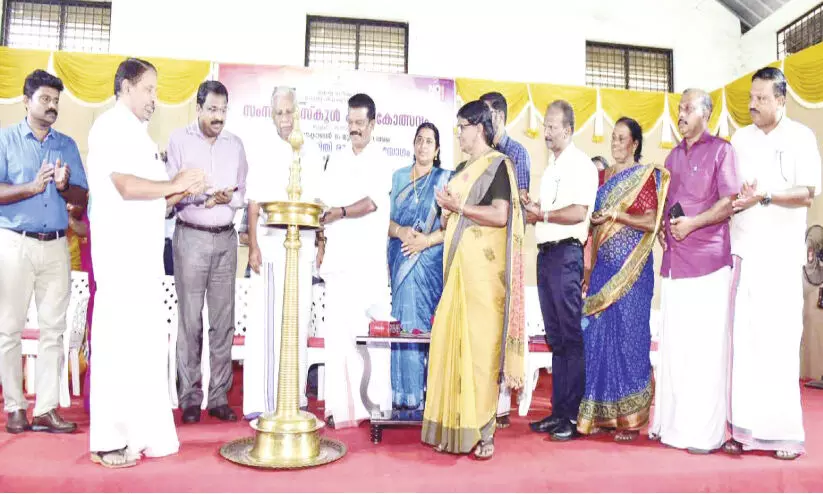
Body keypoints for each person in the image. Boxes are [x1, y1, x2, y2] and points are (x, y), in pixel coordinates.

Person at [87, 58, 206, 468]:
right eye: (148, 89)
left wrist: (184, 189)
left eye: (156, 90)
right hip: (121, 258)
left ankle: (142, 434)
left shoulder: (140, 135)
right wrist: (173, 183)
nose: (155, 98)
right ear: (125, 87)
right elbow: (125, 186)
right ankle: (110, 439)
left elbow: (157, 200)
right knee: (118, 345)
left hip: (144, 260)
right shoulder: (109, 127)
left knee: (145, 348)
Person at [725, 67, 821, 461]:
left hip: (780, 259)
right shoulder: (739, 139)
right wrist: (740, 197)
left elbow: (807, 193)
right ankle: (743, 431)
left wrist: (765, 196)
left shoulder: (801, 137)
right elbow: (731, 193)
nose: (752, 105)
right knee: (744, 344)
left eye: (762, 98)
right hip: (745, 253)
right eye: (751, 97)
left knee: (778, 345)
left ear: (781, 100)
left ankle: (783, 435)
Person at [422, 100, 525, 460]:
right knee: (450, 346)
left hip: (484, 280)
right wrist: (446, 209)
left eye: (461, 127)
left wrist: (459, 207)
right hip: (458, 274)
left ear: (479, 128)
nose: (458, 135)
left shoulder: (498, 166)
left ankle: (484, 432)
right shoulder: (462, 170)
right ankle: (452, 429)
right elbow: (450, 221)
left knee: (481, 355)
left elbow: (500, 215)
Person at [650, 88, 741, 454]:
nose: (681, 113)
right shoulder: (672, 156)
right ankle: (672, 427)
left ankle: (705, 434)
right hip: (674, 267)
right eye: (679, 107)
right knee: (676, 351)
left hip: (708, 266)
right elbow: (666, 205)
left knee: (705, 354)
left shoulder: (722, 151)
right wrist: (663, 229)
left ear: (706, 113)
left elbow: (729, 202)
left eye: (688, 108)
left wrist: (693, 224)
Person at [0, 69, 88, 435]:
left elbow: (82, 197)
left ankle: (47, 409)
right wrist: (30, 187)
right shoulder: (5, 139)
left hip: (55, 245)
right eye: (45, 99)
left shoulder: (66, 145)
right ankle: (15, 407)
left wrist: (65, 188)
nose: (52, 106)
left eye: (56, 100)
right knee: (9, 329)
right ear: (26, 101)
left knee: (54, 329)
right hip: (14, 243)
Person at [577, 117, 670, 441]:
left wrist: (618, 215)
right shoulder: (603, 178)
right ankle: (601, 414)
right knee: (597, 338)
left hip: (633, 273)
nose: (615, 144)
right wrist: (588, 269)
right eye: (613, 138)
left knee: (629, 340)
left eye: (621, 138)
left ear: (635, 144)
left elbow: (652, 222)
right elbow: (593, 227)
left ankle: (630, 421)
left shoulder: (644, 177)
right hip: (603, 270)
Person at [166, 80, 248, 424]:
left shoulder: (235, 145)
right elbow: (169, 192)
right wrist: (202, 197)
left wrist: (229, 198)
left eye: (223, 110)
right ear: (198, 108)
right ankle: (189, 397)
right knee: (190, 321)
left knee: (223, 322)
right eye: (212, 109)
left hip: (226, 239)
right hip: (191, 237)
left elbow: (243, 194)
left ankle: (218, 397)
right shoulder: (178, 140)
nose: (218, 117)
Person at [243, 86, 324, 419]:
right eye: (280, 113)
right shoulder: (263, 150)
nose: (285, 118)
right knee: (269, 324)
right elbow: (253, 205)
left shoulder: (312, 151)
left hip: (303, 246)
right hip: (272, 245)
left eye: (290, 112)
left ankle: (294, 398)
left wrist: (321, 242)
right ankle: (264, 402)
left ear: (298, 112)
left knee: (298, 320)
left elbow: (318, 204)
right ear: (271, 115)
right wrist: (253, 246)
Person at [317, 93, 393, 429]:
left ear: (373, 124)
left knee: (367, 338)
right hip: (339, 262)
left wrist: (340, 212)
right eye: (350, 122)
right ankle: (340, 408)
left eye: (360, 123)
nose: (354, 128)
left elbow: (371, 204)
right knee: (337, 338)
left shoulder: (382, 160)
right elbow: (323, 202)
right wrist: (322, 230)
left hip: (367, 264)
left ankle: (372, 407)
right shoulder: (336, 159)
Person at [524, 100, 598, 442]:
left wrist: (542, 214)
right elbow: (550, 211)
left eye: (552, 126)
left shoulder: (581, 165)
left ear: (568, 130)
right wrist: (535, 209)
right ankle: (558, 412)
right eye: (545, 125)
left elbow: (580, 212)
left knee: (570, 336)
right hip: (546, 255)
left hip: (567, 254)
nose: (546, 131)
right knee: (556, 338)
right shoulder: (552, 166)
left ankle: (573, 416)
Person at [387, 122, 451, 412]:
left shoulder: (446, 180)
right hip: (401, 256)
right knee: (403, 322)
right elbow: (385, 221)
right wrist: (401, 232)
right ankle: (403, 395)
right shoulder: (399, 177)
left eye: (429, 142)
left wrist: (425, 242)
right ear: (413, 145)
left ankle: (428, 396)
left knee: (423, 327)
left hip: (430, 261)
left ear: (437, 150)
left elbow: (451, 227)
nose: (423, 146)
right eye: (419, 140)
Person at [479, 92, 531, 428]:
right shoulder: (481, 154)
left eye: (485, 115)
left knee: (503, 321)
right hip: (482, 250)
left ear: (498, 116)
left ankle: (499, 405)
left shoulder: (516, 154)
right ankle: (481, 399)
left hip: (507, 249)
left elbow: (518, 207)